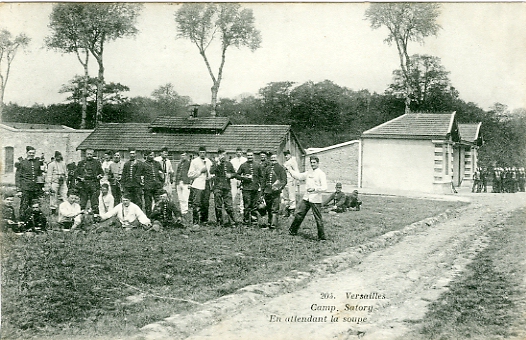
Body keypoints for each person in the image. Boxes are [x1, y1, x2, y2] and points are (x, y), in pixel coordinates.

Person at [287, 156, 328, 240]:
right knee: (299, 214)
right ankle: (292, 231)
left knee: (318, 218)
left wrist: (315, 189)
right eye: (311, 162)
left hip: (315, 198)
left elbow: (325, 187)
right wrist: (290, 170)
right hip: (307, 198)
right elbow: (299, 176)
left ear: (318, 163)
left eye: (314, 163)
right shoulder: (308, 172)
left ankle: (321, 237)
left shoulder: (321, 174)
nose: (312, 164)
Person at [210, 148, 237, 227]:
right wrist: (217, 163)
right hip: (218, 187)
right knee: (218, 206)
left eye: (224, 154)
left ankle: (232, 222)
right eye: (221, 154)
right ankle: (220, 222)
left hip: (227, 187)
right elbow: (211, 171)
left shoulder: (229, 164)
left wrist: (231, 175)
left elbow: (234, 173)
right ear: (218, 155)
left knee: (229, 205)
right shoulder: (215, 164)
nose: (223, 156)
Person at [237, 149, 264, 226]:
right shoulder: (243, 165)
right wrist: (244, 177)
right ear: (246, 156)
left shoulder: (257, 165)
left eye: (251, 155)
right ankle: (246, 221)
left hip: (255, 188)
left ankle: (254, 221)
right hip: (246, 189)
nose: (250, 157)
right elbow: (237, 175)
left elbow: (261, 177)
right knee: (247, 205)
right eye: (248, 155)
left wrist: (260, 187)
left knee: (254, 206)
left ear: (253, 156)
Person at [261, 153, 287, 229]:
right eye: (272, 158)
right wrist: (262, 192)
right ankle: (269, 223)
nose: (273, 159)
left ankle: (273, 226)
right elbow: (263, 181)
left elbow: (284, 180)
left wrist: (279, 188)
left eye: (274, 158)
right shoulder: (267, 168)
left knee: (275, 209)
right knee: (268, 209)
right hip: (267, 191)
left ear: (277, 158)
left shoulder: (280, 168)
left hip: (275, 192)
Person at [188, 146, 212, 226]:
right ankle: (195, 221)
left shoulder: (209, 161)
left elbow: (212, 173)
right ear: (198, 153)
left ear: (206, 153)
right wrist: (200, 171)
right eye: (201, 152)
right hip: (198, 185)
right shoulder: (194, 161)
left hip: (207, 184)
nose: (202, 154)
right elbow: (190, 175)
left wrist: (210, 176)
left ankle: (204, 221)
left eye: (204, 152)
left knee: (205, 203)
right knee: (197, 203)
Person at [15, 146, 44, 213]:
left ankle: (34, 221)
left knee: (35, 205)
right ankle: (22, 220)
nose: (31, 154)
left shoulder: (37, 162)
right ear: (26, 153)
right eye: (30, 153)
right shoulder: (22, 163)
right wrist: (19, 190)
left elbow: (39, 175)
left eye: (33, 153)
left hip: (35, 188)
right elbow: (18, 177)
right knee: (24, 205)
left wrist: (41, 187)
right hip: (26, 188)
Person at [75, 149, 104, 213]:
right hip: (83, 184)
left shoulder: (97, 163)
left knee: (95, 202)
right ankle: (81, 215)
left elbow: (102, 173)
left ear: (93, 154)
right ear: (85, 154)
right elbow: (76, 174)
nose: (89, 155)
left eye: (90, 154)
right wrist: (80, 178)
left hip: (94, 183)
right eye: (88, 154)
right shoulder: (81, 163)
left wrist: (99, 176)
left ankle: (95, 216)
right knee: (83, 201)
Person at [143, 150, 164, 217]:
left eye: (153, 155)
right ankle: (149, 217)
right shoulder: (143, 164)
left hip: (157, 186)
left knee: (158, 202)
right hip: (148, 187)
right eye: (150, 155)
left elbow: (161, 173)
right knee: (148, 204)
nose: (152, 157)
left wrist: (161, 182)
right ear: (147, 156)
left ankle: (159, 216)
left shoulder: (157, 163)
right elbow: (140, 176)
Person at [230, 147, 247, 215]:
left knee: (242, 194)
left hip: (242, 177)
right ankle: (231, 208)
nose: (238, 153)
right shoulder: (232, 161)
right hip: (234, 178)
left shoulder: (245, 160)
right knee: (232, 193)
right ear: (235, 153)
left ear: (242, 153)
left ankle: (242, 209)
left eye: (240, 152)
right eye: (237, 152)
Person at [282, 150, 299, 216]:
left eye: (287, 155)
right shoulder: (285, 162)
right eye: (285, 155)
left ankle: (292, 211)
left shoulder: (293, 161)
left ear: (290, 155)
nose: (286, 156)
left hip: (291, 180)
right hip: (285, 180)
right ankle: (287, 210)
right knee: (285, 196)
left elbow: (296, 171)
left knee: (291, 195)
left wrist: (297, 180)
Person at [175, 151, 192, 216]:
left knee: (185, 197)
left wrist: (190, 182)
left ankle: (185, 211)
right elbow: (177, 173)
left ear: (186, 156)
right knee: (180, 197)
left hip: (186, 182)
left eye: (184, 155)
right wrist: (176, 182)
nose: (183, 157)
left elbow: (191, 173)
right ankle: (182, 210)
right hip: (179, 182)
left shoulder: (189, 163)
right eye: (182, 155)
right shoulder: (179, 164)